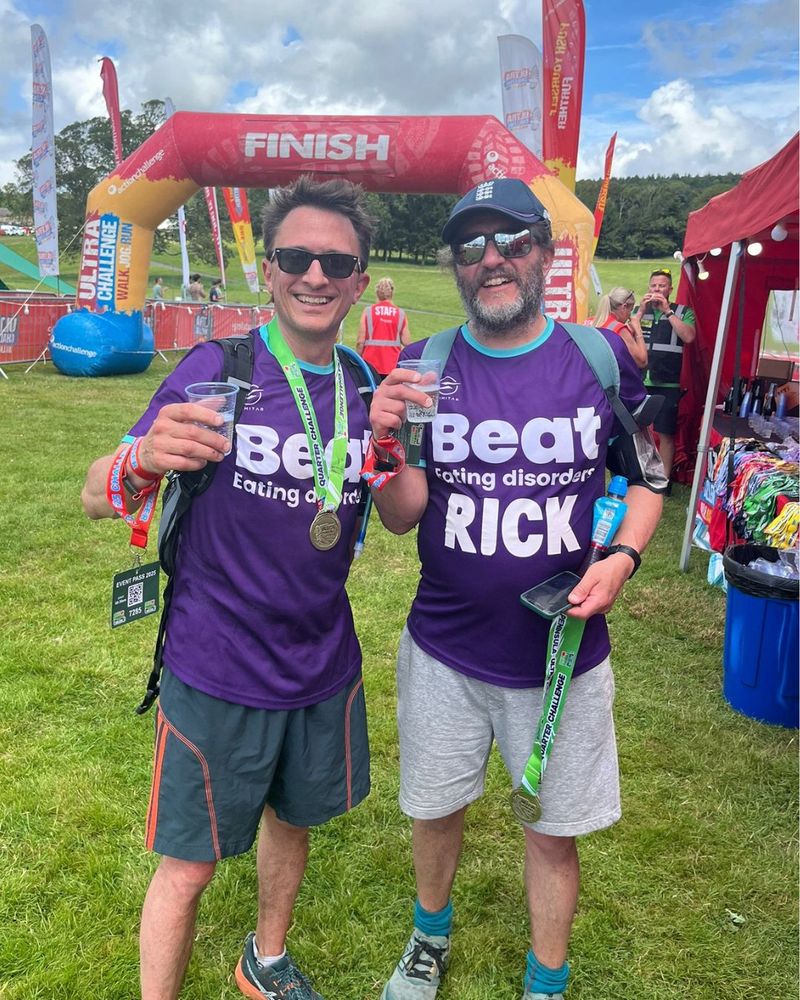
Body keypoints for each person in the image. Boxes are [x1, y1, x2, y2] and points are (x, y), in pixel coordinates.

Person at [364, 178, 665, 1000]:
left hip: (563, 654)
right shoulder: (426, 364)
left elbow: (648, 482)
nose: (490, 259)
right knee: (435, 809)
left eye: (511, 241)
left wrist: (624, 559)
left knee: (552, 832)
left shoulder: (597, 358)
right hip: (444, 649)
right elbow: (401, 516)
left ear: (543, 251)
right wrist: (384, 444)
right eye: (470, 246)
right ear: (455, 266)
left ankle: (546, 980)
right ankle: (428, 941)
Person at [80, 176, 375, 1000]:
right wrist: (138, 459)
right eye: (296, 257)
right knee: (189, 866)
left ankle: (265, 961)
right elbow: (98, 493)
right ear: (269, 271)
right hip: (217, 666)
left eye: (335, 261)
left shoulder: (360, 382)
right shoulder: (220, 368)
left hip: (322, 662)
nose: (315, 275)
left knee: (296, 820)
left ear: (358, 279)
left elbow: (388, 504)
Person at [636, 268, 696, 481]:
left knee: (665, 432)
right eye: (654, 285)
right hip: (639, 379)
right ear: (648, 287)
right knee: (636, 430)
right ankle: (640, 473)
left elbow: (689, 337)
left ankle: (663, 479)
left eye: (662, 286)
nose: (657, 289)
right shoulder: (639, 310)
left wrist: (668, 312)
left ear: (670, 289)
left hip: (667, 382)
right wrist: (640, 312)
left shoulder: (682, 311)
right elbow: (627, 334)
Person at [357, 276, 411, 376]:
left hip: (370, 364)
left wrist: (357, 362)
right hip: (392, 365)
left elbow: (360, 342)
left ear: (377, 292)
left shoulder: (368, 312)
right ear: (392, 292)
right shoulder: (400, 314)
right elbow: (407, 343)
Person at [592, 286, 647, 369]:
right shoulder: (620, 329)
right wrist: (638, 330)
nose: (630, 315)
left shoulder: (590, 321)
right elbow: (642, 361)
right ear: (624, 307)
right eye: (630, 310)